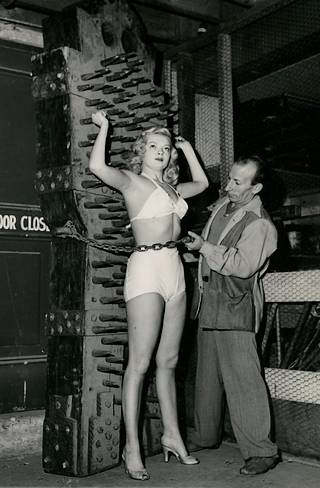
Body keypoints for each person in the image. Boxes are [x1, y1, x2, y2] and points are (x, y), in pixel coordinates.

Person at [89, 110, 208, 480]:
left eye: (166, 147)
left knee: (169, 362)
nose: (160, 151)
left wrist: (187, 150)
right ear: (142, 152)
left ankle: (173, 436)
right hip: (146, 270)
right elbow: (97, 167)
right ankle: (132, 447)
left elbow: (202, 184)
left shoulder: (174, 189)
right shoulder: (132, 182)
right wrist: (105, 128)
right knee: (139, 364)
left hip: (175, 269)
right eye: (154, 146)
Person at [185, 155, 280, 476]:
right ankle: (204, 435)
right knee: (207, 378)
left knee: (244, 381)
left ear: (257, 188)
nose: (228, 186)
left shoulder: (260, 224)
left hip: (236, 307)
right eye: (230, 179)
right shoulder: (223, 207)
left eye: (237, 182)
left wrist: (203, 249)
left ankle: (262, 451)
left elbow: (242, 265)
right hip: (209, 303)